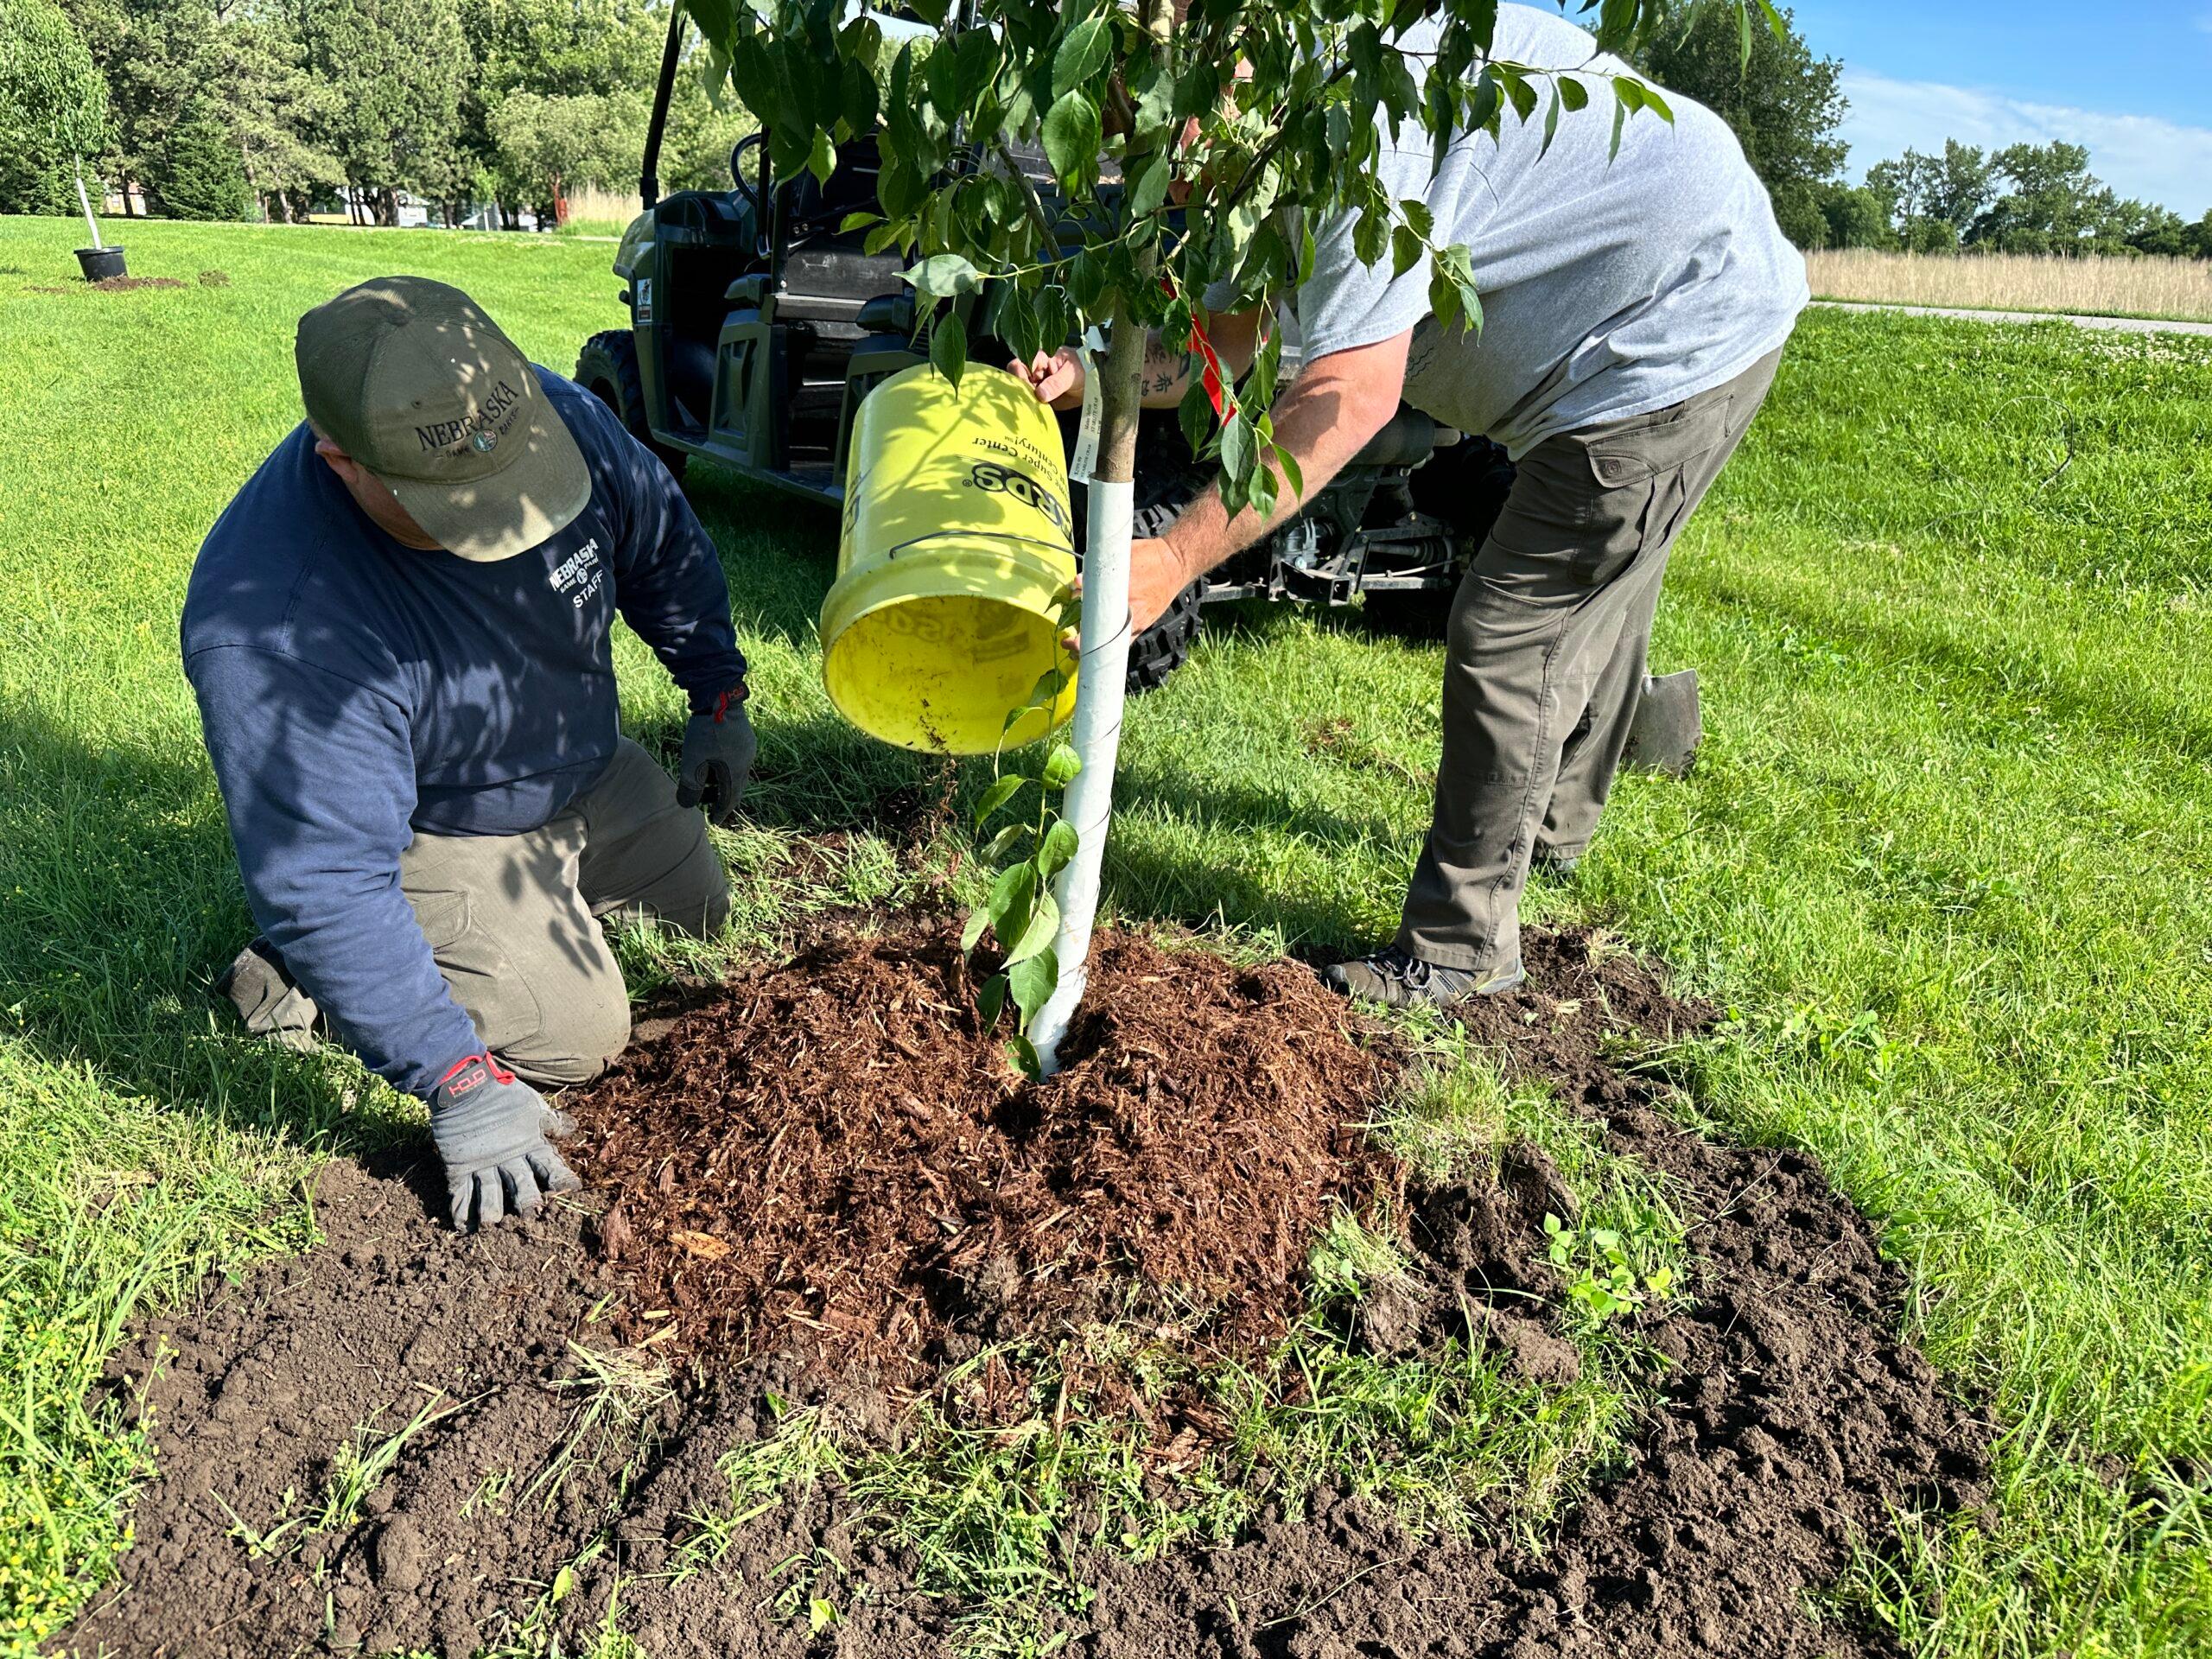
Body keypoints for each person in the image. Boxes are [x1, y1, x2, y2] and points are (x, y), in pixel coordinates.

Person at [1017, 3, 1805, 1008]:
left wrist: (1170, 559)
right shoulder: (1253, 164)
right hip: (1630, 319)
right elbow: (1216, 350)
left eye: (1148, 126)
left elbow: (1346, 399)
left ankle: (1460, 948)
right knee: (1593, 589)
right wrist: (1093, 373)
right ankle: (1550, 832)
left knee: (1514, 629)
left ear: (1223, 81)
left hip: (1676, 325)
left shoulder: (1352, 129)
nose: (1145, 168)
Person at [183, 276, 754, 1230]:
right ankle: (308, 966)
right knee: (576, 1038)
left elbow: (662, 544)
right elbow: (326, 874)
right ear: (342, 463)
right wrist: (458, 1081)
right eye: (459, 505)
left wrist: (718, 690)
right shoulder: (278, 621)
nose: (503, 521)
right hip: (444, 818)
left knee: (700, 917)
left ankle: (425, 944)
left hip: (581, 765)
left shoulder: (537, 412)